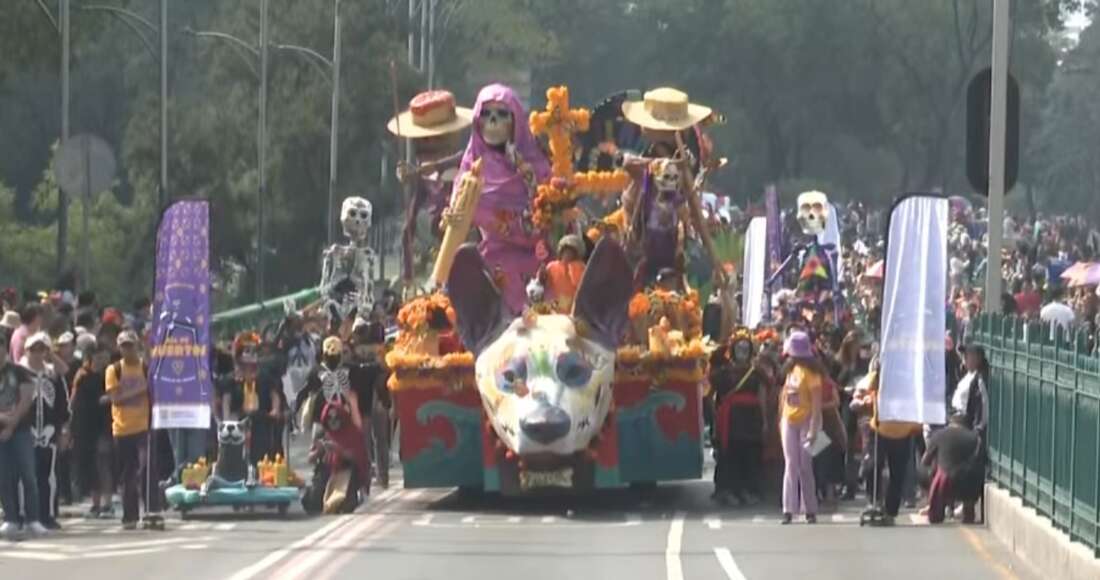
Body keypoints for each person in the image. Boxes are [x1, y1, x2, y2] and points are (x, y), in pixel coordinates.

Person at [851, 365, 920, 525]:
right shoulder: (877, 376)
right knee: (872, 466)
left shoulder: (908, 377)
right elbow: (862, 389)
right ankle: (873, 501)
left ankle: (891, 510)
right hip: (879, 429)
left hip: (902, 431)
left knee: (897, 474)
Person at [105, 330, 160, 529]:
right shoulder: (114, 370)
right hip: (122, 428)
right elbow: (116, 399)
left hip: (143, 427)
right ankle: (130, 515)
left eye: (130, 345)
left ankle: (152, 509)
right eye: (123, 346)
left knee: (146, 468)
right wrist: (141, 389)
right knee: (127, 474)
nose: (127, 349)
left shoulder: (145, 368)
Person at [18, 332, 71, 530]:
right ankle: (24, 514)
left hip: (49, 431)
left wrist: (64, 430)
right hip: (25, 431)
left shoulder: (53, 375)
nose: (38, 353)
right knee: (25, 475)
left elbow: (62, 405)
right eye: (34, 349)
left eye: (42, 349)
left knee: (48, 476)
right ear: (27, 350)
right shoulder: (20, 373)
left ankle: (47, 514)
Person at [710, 329, 768, 505]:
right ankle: (728, 490)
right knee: (729, 454)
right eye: (738, 348)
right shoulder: (723, 372)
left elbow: (762, 395)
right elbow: (712, 396)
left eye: (745, 348)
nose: (742, 352)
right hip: (730, 419)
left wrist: (765, 421)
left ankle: (749, 490)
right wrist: (716, 419)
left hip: (751, 419)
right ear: (732, 350)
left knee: (751, 454)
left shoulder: (757, 372)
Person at [0, 334, 48, 539]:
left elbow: (26, 398)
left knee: (28, 475)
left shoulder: (18, 372)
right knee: (4, 477)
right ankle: (11, 518)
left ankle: (33, 519)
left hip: (20, 430)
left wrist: (11, 422)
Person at [778, 330, 824, 524]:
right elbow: (784, 396)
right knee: (790, 464)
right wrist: (781, 419)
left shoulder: (813, 376)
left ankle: (810, 509)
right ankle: (788, 509)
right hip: (789, 421)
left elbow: (816, 405)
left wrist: (814, 430)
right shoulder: (789, 371)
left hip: (807, 422)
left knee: (805, 466)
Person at [70, 341, 115, 519]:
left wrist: (108, 399)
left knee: (103, 463)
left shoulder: (111, 374)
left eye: (104, 357)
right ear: (90, 358)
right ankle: (95, 504)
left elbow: (115, 395)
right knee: (90, 465)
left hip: (105, 425)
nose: (101, 360)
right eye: (98, 357)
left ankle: (108, 503)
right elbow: (73, 400)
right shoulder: (82, 375)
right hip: (86, 425)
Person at [347, 322, 390, 489]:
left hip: (374, 401)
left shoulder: (374, 353)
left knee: (374, 441)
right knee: (376, 441)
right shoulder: (376, 353)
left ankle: (377, 476)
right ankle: (375, 476)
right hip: (369, 403)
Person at [923, 413, 985, 524]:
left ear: (950, 423)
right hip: (969, 484)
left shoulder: (939, 435)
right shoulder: (975, 438)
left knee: (936, 470)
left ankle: (936, 512)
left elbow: (925, 461)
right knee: (972, 472)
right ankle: (968, 513)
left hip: (945, 482)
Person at [952, 345, 990, 439]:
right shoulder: (968, 375)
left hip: (966, 426)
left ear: (977, 359)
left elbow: (982, 405)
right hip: (957, 422)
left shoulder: (978, 380)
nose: (964, 357)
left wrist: (977, 430)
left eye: (967, 355)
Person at [542, 235, 588, 313]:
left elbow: (581, 285)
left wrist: (573, 269)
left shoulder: (581, 267)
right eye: (565, 251)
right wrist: (541, 276)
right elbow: (545, 285)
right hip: (555, 305)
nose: (567, 254)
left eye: (571, 252)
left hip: (574, 307)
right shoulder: (552, 266)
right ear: (561, 251)